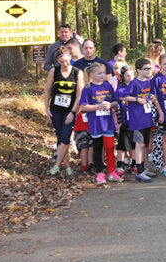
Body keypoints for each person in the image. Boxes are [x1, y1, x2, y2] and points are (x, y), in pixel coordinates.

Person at [43, 46, 84, 175]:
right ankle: (67, 166)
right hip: (56, 110)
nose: (65, 64)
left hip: (70, 110)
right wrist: (46, 108)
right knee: (60, 138)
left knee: (66, 138)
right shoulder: (54, 71)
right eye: (62, 62)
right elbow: (47, 90)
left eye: (67, 61)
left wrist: (73, 112)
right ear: (57, 62)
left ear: (70, 58)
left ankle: (56, 165)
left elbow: (79, 95)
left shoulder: (78, 72)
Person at [79, 62, 120, 185]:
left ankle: (112, 172)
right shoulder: (88, 88)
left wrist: (110, 105)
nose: (102, 75)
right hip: (96, 124)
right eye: (99, 73)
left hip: (108, 123)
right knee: (97, 148)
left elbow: (115, 102)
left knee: (110, 148)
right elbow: (83, 107)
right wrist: (98, 106)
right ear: (91, 74)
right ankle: (100, 173)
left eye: (103, 73)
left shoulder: (108, 86)